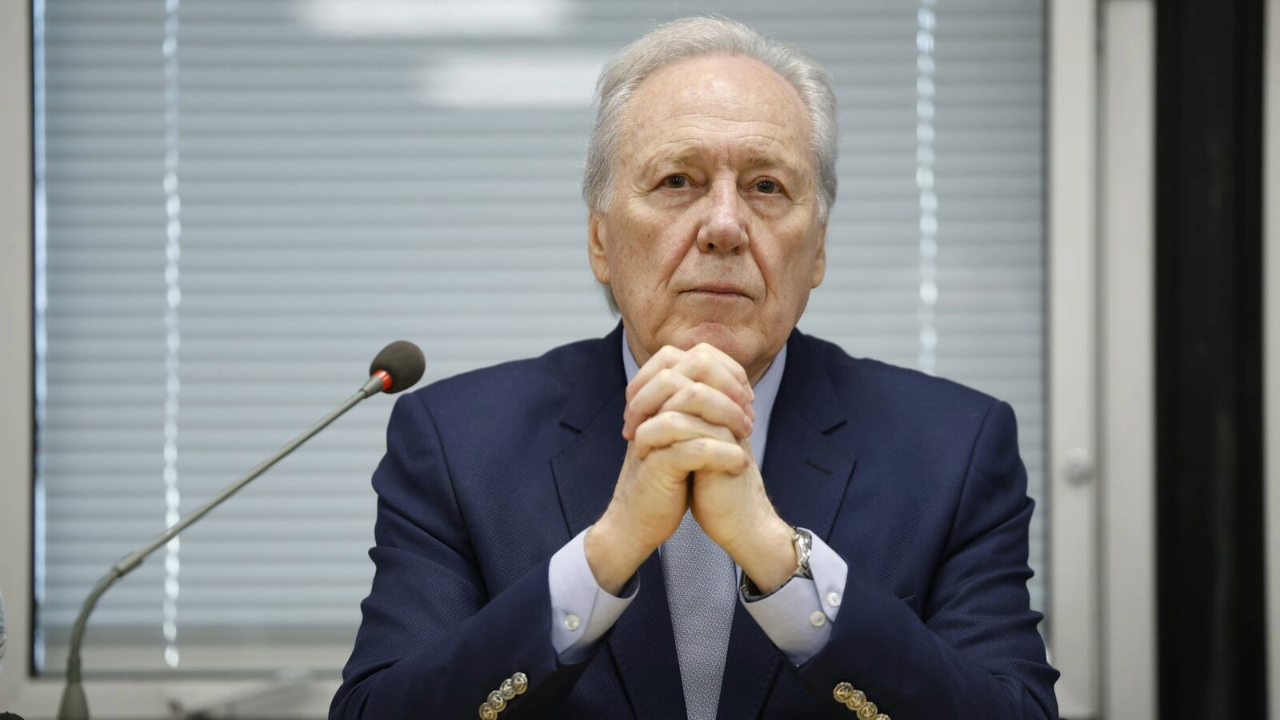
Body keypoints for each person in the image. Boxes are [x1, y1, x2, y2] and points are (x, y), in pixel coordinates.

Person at [331, 16, 1058, 720]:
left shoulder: (954, 448)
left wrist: (784, 564)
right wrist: (605, 554)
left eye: (767, 186)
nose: (724, 226)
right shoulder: (455, 443)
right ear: (601, 241)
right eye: (678, 180)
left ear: (818, 251)